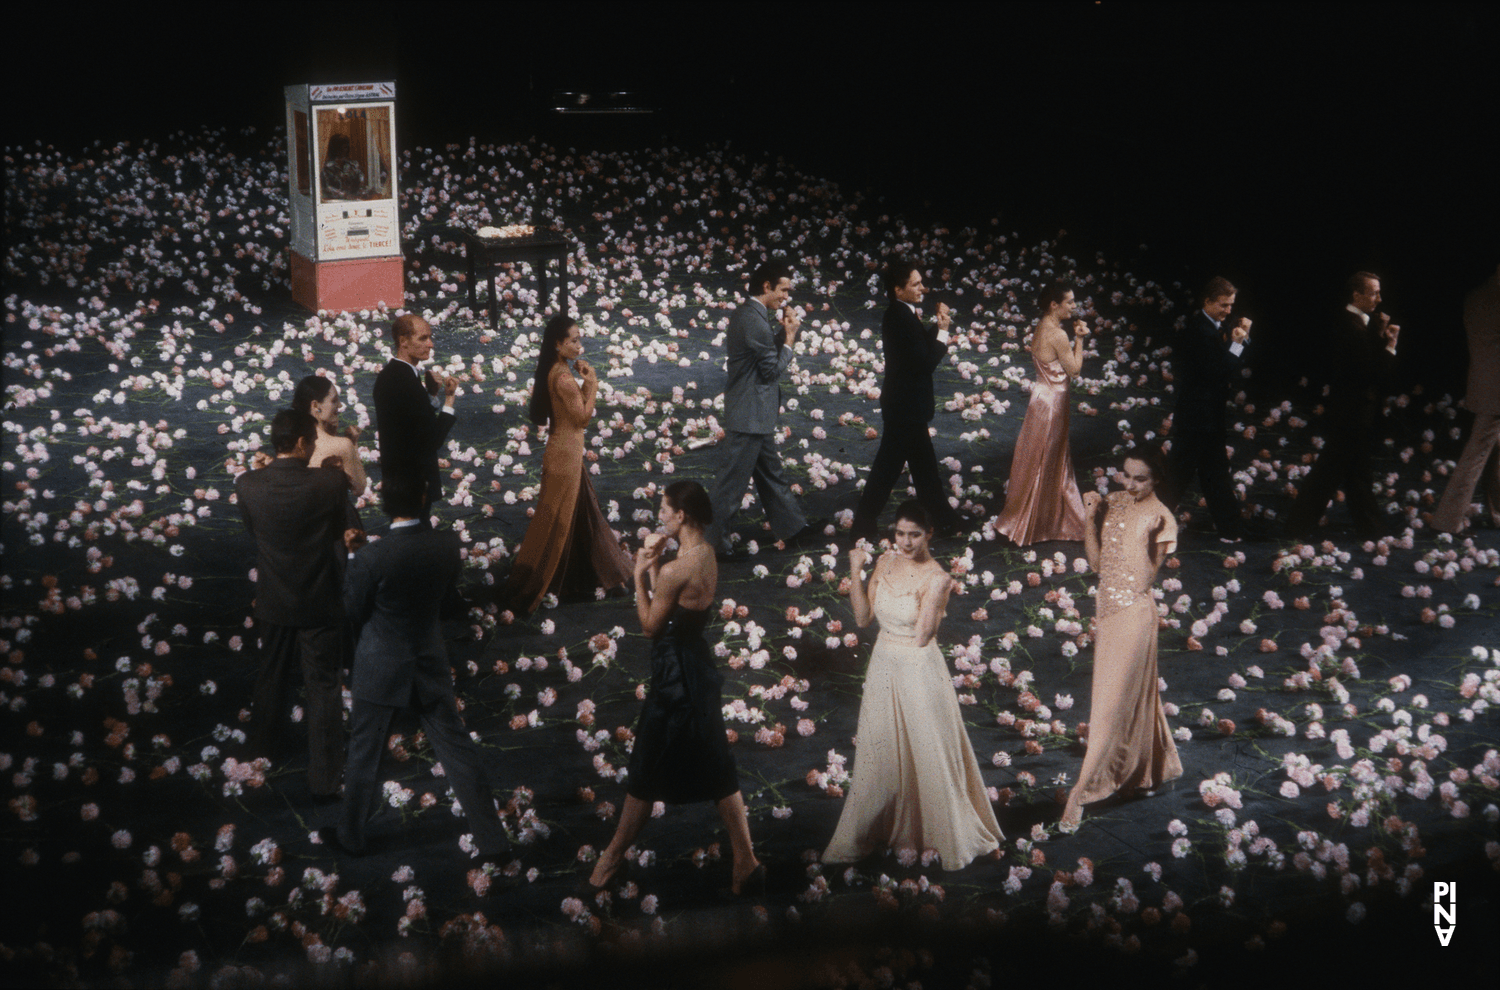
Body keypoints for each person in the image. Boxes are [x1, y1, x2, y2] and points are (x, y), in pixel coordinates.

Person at [316, 475, 511, 866]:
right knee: (456, 749)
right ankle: (492, 840)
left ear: (383, 506)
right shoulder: (446, 545)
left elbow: (352, 610)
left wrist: (354, 555)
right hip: (427, 659)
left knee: (365, 753)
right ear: (424, 498)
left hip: (381, 664)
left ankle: (351, 836)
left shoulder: (373, 555)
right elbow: (444, 598)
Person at [588, 481, 764, 896]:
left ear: (681, 516)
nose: (660, 515)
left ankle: (610, 858)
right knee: (716, 762)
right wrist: (655, 567)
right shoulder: (704, 555)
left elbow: (650, 626)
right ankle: (746, 860)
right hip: (696, 665)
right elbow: (675, 606)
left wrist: (638, 573)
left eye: (664, 510)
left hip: (674, 675)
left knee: (647, 765)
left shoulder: (675, 569)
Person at [823, 500, 1003, 870]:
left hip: (919, 670)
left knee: (926, 750)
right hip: (883, 665)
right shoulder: (885, 562)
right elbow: (861, 619)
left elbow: (922, 637)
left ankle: (941, 830)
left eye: (914, 535)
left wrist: (935, 595)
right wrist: (855, 571)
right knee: (879, 748)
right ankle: (875, 826)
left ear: (929, 534)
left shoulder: (937, 577)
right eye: (900, 533)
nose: (905, 542)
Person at [1060, 448, 1183, 830]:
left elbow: (1146, 577)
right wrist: (1092, 518)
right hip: (1107, 609)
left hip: (1133, 613)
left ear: (1156, 481)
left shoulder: (1162, 518)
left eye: (1140, 479)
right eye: (1125, 475)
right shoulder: (1113, 501)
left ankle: (1083, 790)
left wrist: (1134, 532)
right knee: (1129, 694)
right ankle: (1150, 769)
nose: (1130, 485)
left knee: (1111, 702)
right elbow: (1097, 565)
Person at [235, 409, 349, 797]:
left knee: (271, 676)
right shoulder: (330, 483)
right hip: (319, 600)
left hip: (275, 600)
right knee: (323, 685)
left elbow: (254, 533)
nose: (315, 445)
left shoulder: (247, 485)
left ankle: (259, 756)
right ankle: (325, 778)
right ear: (301, 442)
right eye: (312, 441)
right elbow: (338, 532)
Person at [500, 316, 632, 612]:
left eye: (578, 339)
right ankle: (537, 581)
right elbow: (583, 419)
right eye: (572, 341)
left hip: (566, 452)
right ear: (558, 345)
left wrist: (584, 384)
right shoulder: (561, 377)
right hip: (565, 456)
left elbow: (574, 416)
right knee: (555, 524)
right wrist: (593, 383)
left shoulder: (557, 370)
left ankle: (598, 576)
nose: (579, 345)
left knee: (582, 515)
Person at [850, 260, 968, 541]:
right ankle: (866, 522)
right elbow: (924, 363)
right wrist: (941, 331)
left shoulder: (900, 313)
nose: (922, 289)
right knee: (893, 470)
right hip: (906, 409)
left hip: (904, 407)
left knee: (919, 471)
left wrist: (937, 327)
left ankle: (944, 521)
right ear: (897, 289)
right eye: (915, 284)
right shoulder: (900, 316)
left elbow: (917, 350)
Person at [1285, 272, 1401, 540]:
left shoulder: (1356, 323)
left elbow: (1364, 359)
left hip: (1353, 412)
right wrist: (1391, 345)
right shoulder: (1350, 326)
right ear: (1356, 295)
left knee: (1357, 476)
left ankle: (1371, 529)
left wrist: (1379, 334)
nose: (1379, 298)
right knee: (1330, 474)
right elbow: (1370, 372)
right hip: (1351, 414)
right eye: (1374, 293)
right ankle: (1296, 526)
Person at [706, 259, 810, 555]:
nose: (786, 297)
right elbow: (771, 371)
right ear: (767, 286)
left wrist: (782, 334)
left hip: (754, 411)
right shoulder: (754, 318)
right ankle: (712, 543)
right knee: (731, 484)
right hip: (749, 412)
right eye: (784, 290)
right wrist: (789, 338)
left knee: (771, 474)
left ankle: (793, 527)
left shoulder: (751, 314)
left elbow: (763, 354)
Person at [995, 281, 1090, 545]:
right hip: (1053, 402)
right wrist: (1080, 340)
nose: (1074, 306)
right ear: (1054, 305)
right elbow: (1074, 370)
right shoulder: (1058, 335)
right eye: (1069, 302)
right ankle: (1043, 522)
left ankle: (1031, 515)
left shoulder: (1041, 326)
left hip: (1040, 398)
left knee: (1037, 455)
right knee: (1049, 458)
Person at [1165, 276, 1252, 543]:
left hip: (1208, 417)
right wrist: (1238, 343)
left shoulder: (1216, 326)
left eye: (1231, 305)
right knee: (1177, 477)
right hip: (1195, 418)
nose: (1228, 311)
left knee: (1215, 474)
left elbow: (1229, 364)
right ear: (1207, 302)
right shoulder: (1198, 330)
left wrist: (1240, 340)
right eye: (1224, 305)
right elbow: (1218, 371)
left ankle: (1230, 530)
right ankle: (1148, 524)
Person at [1431, 264, 1500, 534]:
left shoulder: (1475, 295)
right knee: (1478, 451)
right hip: (1497, 388)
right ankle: (1447, 520)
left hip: (1483, 381)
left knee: (1494, 449)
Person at [373, 314, 457, 521]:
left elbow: (410, 418)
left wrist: (431, 394)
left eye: (430, 337)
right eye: (423, 338)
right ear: (403, 341)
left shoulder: (390, 375)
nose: (430, 344)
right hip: (414, 480)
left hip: (396, 477)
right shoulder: (408, 383)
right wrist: (449, 400)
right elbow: (433, 439)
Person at [293, 373, 367, 521]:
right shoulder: (342, 445)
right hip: (336, 524)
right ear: (315, 405)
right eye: (334, 400)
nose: (339, 405)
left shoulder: (293, 444)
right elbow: (359, 488)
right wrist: (352, 443)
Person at [320, 133, 366, 200]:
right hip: (334, 202)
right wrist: (344, 195)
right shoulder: (326, 167)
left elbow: (361, 181)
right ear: (334, 148)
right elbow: (326, 187)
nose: (344, 150)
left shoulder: (353, 164)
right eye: (341, 147)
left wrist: (362, 192)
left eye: (346, 147)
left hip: (353, 200)